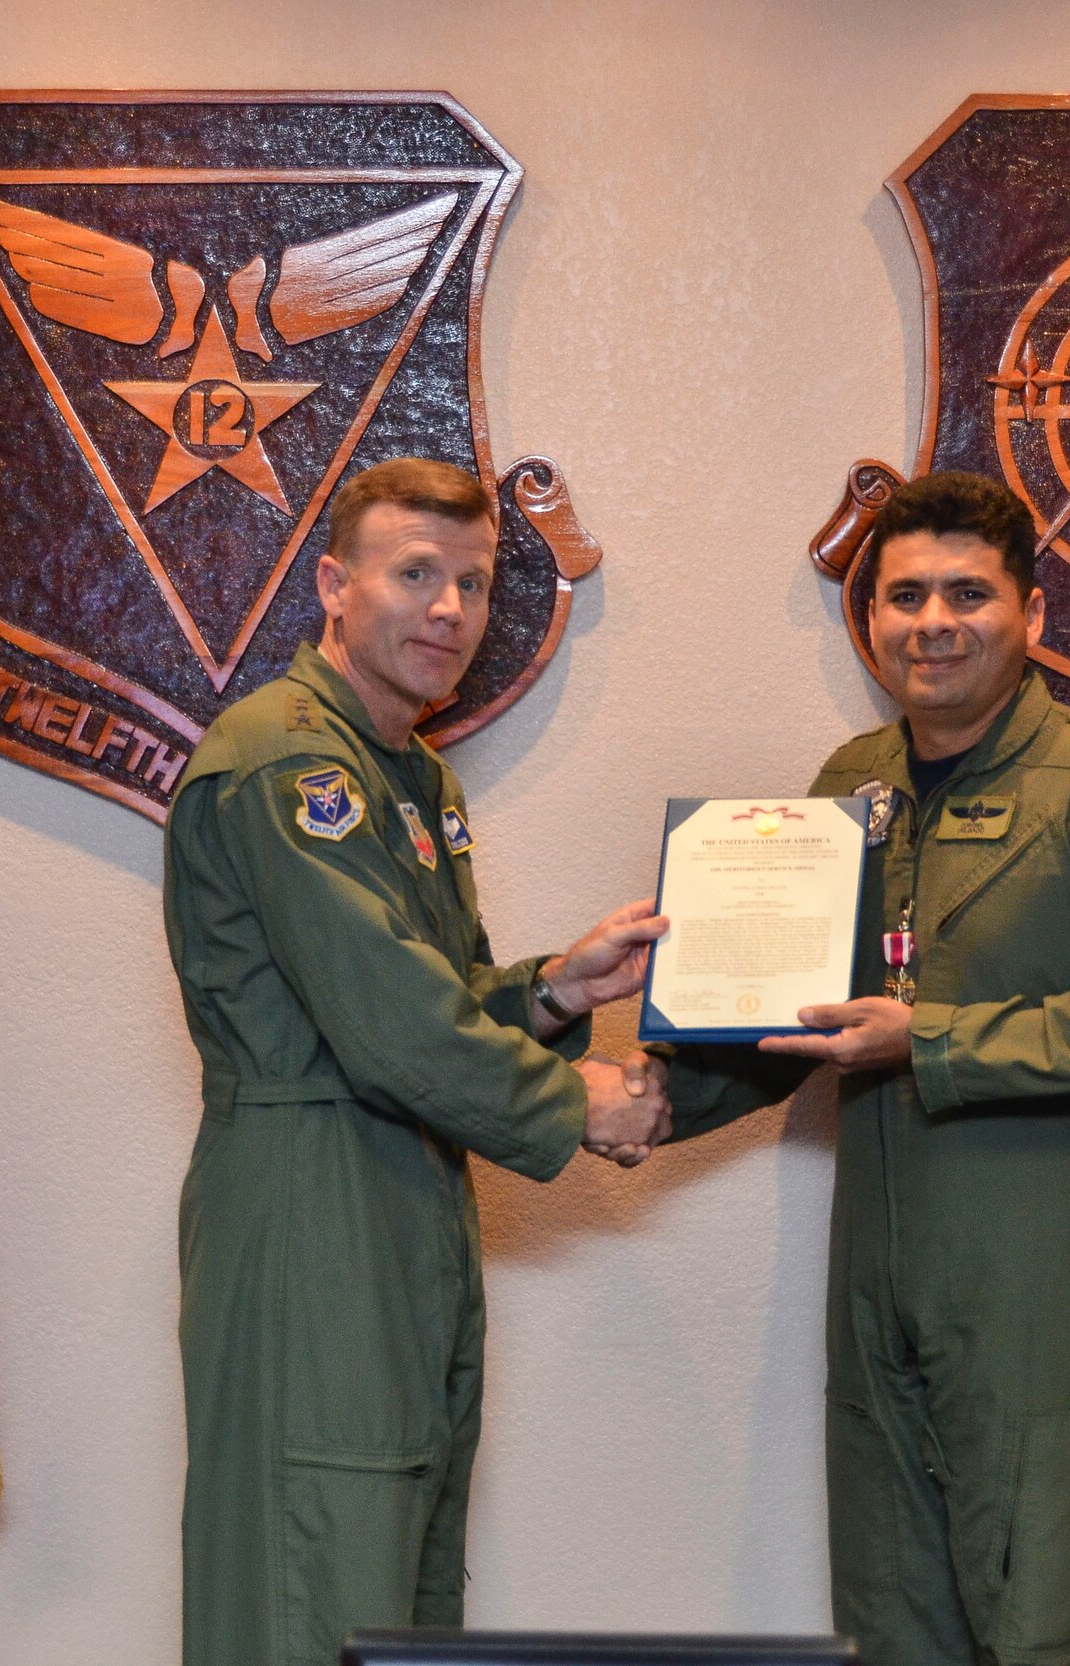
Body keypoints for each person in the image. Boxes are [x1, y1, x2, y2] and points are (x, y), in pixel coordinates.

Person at [617, 471, 1070, 1666]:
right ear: (871, 620)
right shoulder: (853, 783)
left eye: (965, 592)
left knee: (1039, 1615)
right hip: (878, 1266)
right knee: (889, 1617)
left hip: (1037, 1277)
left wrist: (931, 1036)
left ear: (1031, 614)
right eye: (902, 596)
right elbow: (793, 1021)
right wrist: (647, 1099)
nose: (930, 621)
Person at [163, 457, 670, 1666]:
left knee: (396, 1593)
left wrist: (552, 992)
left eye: (474, 584)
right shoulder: (291, 763)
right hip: (311, 1209)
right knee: (312, 1588)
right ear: (336, 586)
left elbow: (424, 997)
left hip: (399, 1201)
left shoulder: (406, 772)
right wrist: (578, 1102)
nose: (449, 608)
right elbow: (390, 1029)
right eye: (415, 574)